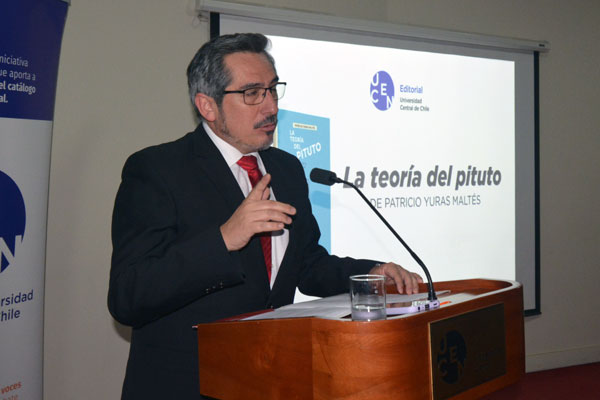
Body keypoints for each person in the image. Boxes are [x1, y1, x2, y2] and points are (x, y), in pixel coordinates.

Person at [108, 33, 423, 399]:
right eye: (252, 93)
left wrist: (369, 275)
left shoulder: (285, 169)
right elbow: (128, 296)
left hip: (269, 381)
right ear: (207, 106)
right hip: (188, 385)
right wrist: (224, 239)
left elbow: (307, 265)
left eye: (273, 89)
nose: (271, 106)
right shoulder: (158, 170)